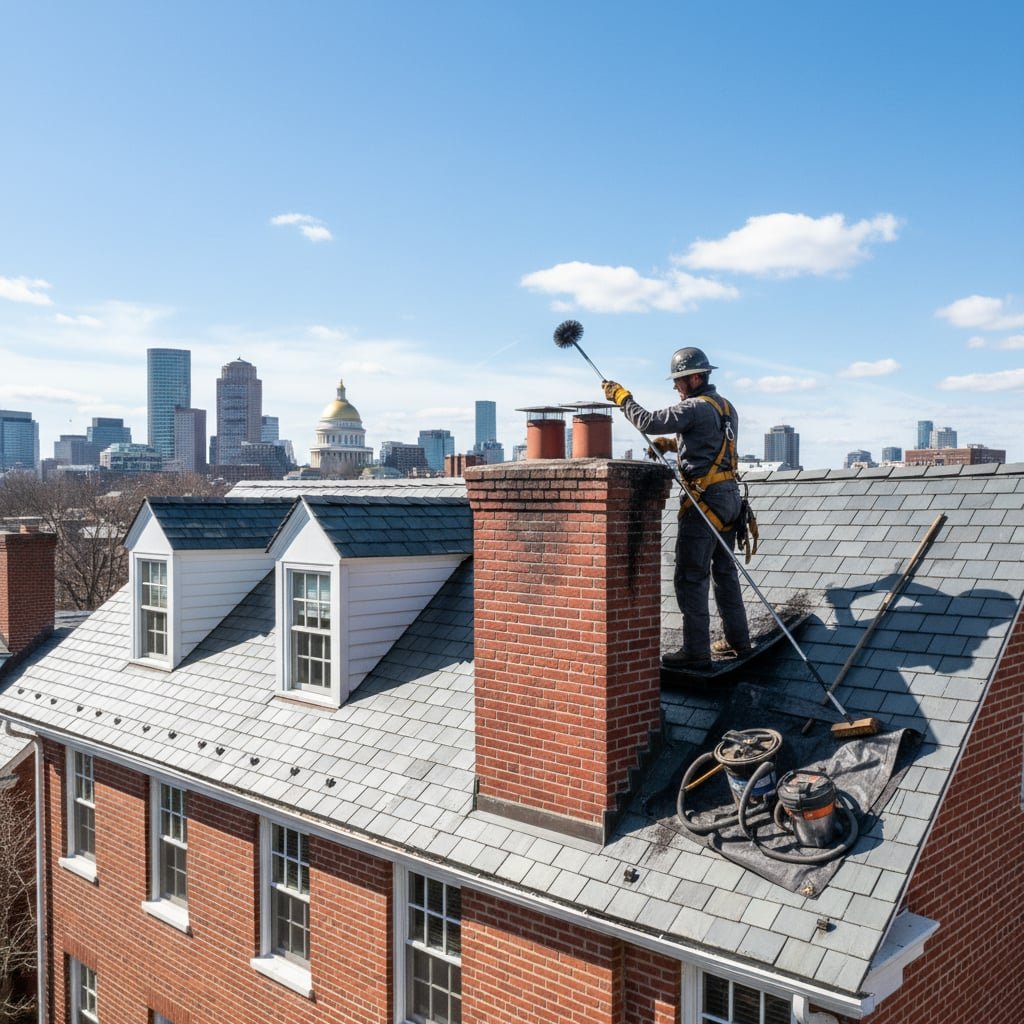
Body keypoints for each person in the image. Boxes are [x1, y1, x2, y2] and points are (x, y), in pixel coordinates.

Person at [602, 347, 750, 671]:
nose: (676, 387)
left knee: (691, 577)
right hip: (729, 501)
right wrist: (676, 444)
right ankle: (738, 640)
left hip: (706, 503)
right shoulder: (726, 407)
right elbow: (709, 443)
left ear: (695, 378)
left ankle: (696, 652)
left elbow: (648, 421)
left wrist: (622, 397)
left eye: (679, 381)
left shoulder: (694, 407)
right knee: (725, 573)